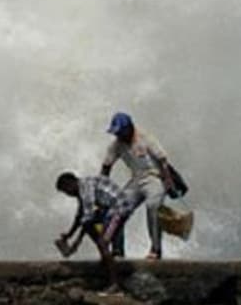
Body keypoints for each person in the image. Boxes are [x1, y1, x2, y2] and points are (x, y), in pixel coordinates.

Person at [101, 111, 176, 260]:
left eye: (121, 132)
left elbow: (162, 160)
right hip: (136, 180)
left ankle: (155, 249)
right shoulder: (116, 145)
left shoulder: (145, 138)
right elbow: (106, 167)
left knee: (153, 206)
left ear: (129, 128)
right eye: (116, 133)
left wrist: (168, 181)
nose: (118, 136)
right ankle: (117, 251)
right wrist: (102, 189)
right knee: (117, 209)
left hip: (154, 177)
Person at [54, 171, 137, 289]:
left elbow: (88, 216)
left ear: (70, 184)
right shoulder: (82, 188)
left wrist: (76, 242)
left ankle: (114, 283)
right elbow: (80, 215)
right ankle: (106, 261)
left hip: (118, 209)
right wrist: (69, 235)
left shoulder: (86, 188)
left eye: (67, 191)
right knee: (91, 229)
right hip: (108, 209)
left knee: (102, 242)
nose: (69, 195)